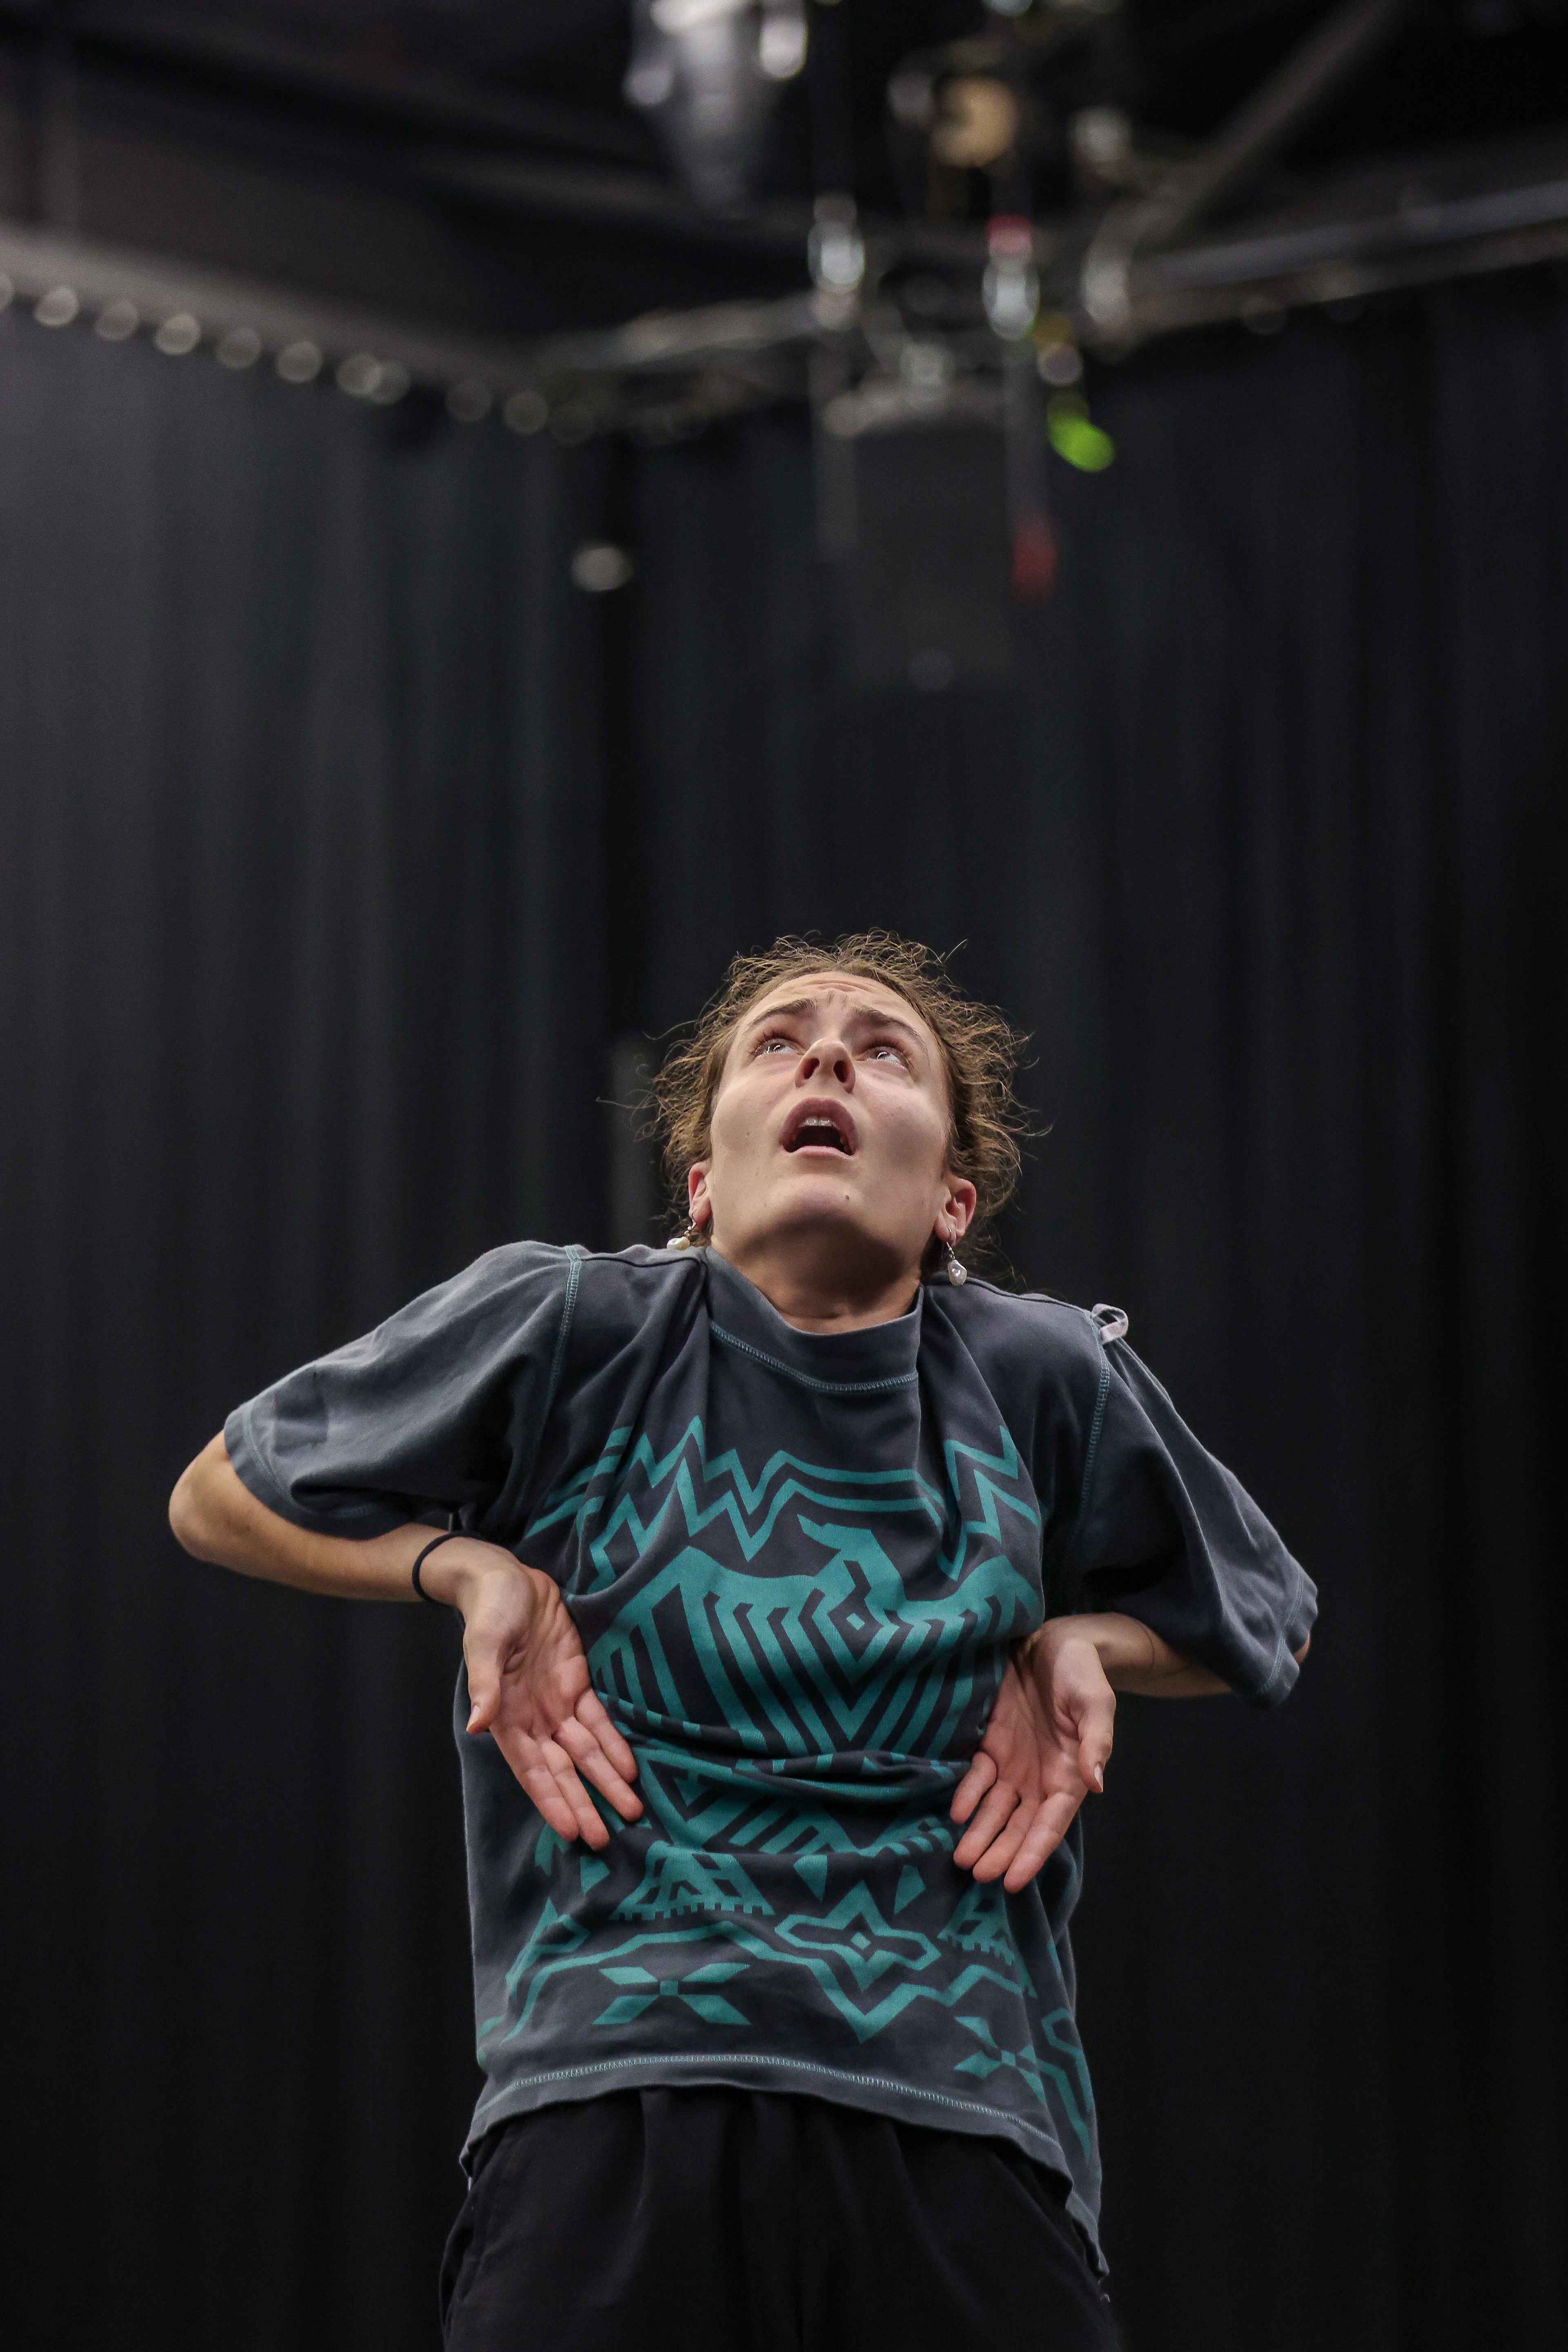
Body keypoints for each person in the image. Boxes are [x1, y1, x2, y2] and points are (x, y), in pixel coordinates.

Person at [170, 931, 1314, 2352]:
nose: (827, 1054)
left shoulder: (1041, 1371)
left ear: (950, 1203)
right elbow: (217, 1496)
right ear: (702, 1185)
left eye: (884, 1051)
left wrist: (1086, 1645)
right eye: (778, 1042)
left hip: (960, 2120)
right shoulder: (576, 1321)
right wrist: (460, 1566)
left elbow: (1265, 1616)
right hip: (613, 2101)